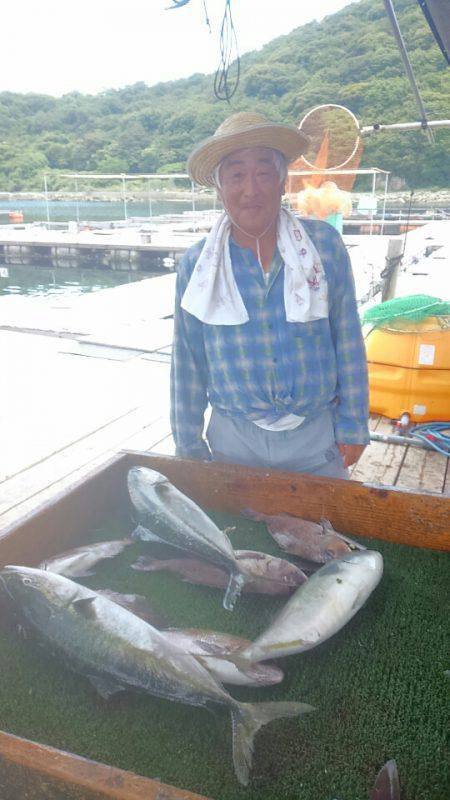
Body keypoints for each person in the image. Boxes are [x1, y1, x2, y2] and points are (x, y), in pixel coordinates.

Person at [170, 111, 369, 478]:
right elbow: (188, 362)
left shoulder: (324, 246)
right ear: (219, 189)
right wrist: (188, 445)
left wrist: (354, 424)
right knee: (237, 518)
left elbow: (348, 339)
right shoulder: (197, 265)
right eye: (236, 176)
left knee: (326, 516)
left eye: (263, 173)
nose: (251, 189)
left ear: (282, 182)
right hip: (233, 440)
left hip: (317, 437)